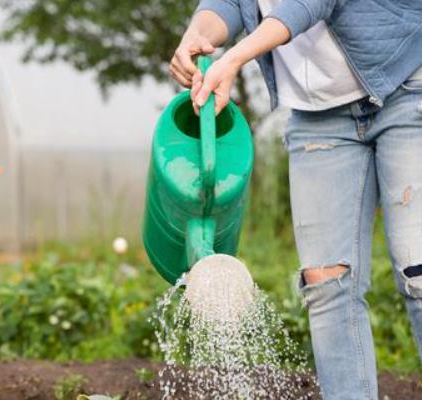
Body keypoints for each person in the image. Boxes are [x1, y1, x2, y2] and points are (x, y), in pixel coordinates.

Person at [170, 1, 422, 399]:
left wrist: (235, 56)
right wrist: (198, 33)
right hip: (317, 114)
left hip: (407, 87)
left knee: (419, 274)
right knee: (326, 287)